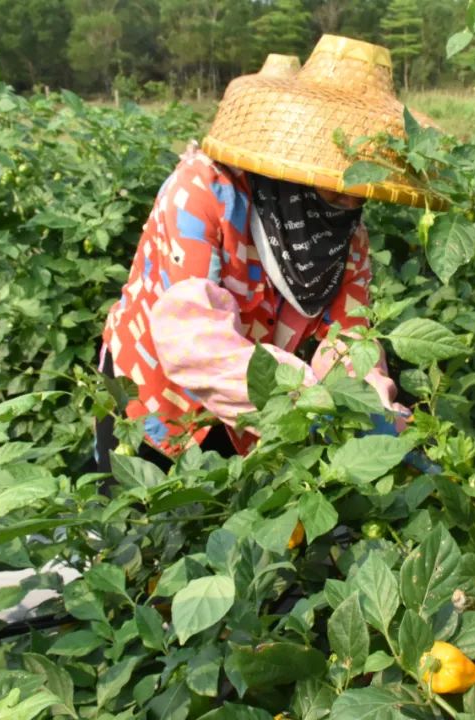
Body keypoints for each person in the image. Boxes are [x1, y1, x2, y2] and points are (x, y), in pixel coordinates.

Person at [95, 37, 437, 473]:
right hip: (152, 395)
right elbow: (192, 342)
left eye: (359, 194)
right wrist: (313, 399)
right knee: (128, 519)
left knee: (220, 518)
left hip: (250, 404)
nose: (348, 204)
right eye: (337, 186)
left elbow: (350, 339)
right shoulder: (203, 193)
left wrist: (372, 410)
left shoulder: (347, 237)